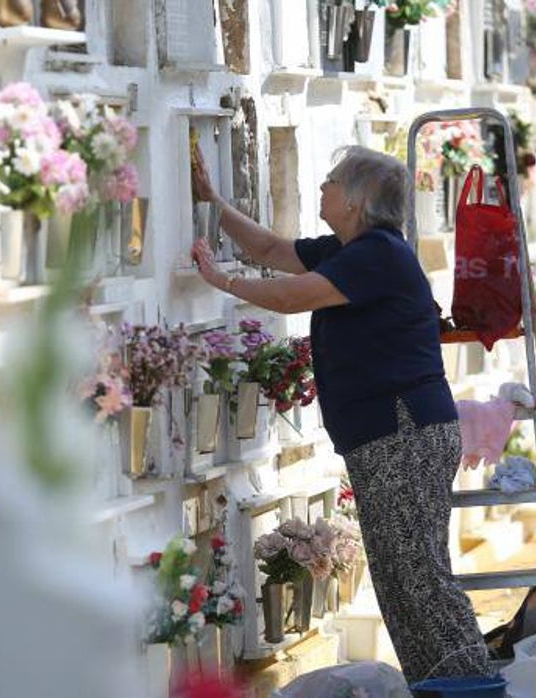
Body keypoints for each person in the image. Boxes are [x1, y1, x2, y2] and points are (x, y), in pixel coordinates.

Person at [189, 145, 490, 683]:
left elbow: (289, 296)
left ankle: (470, 682)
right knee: (400, 578)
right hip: (390, 435)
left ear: (356, 199)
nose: (322, 188)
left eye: (330, 181)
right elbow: (271, 249)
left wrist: (224, 282)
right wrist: (212, 201)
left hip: (404, 431)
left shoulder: (378, 255)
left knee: (417, 574)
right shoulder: (350, 249)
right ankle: (438, 684)